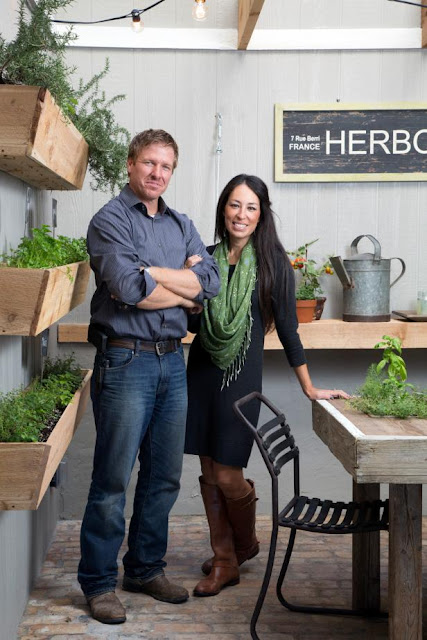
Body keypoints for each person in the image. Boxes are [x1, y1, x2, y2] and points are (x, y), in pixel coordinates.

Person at [79, 129, 220, 624]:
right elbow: (125, 288)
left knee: (163, 477)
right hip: (125, 361)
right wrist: (180, 283)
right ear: (130, 164)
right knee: (113, 478)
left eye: (166, 166)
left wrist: (157, 276)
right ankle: (98, 584)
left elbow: (210, 285)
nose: (157, 174)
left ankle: (143, 568)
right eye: (149, 164)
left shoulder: (182, 223)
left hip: (171, 362)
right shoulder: (109, 220)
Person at [184, 174, 349, 597]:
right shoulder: (203, 258)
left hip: (240, 377)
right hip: (201, 371)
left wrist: (309, 387)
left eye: (251, 207)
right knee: (206, 468)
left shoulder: (274, 263)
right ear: (224, 209)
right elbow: (191, 323)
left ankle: (243, 544)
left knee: (227, 473)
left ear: (262, 214)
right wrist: (186, 288)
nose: (242, 214)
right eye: (235, 205)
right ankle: (225, 560)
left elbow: (290, 331)